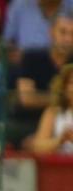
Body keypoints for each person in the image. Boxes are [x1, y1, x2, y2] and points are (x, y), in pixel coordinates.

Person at [12, 13, 73, 144]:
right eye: (63, 32)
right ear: (51, 33)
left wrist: (41, 97)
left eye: (72, 34)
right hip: (28, 121)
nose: (68, 39)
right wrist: (62, 98)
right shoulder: (32, 57)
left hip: (63, 120)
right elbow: (27, 98)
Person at [32, 63, 73, 151]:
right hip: (60, 163)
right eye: (72, 83)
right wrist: (61, 140)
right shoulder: (52, 113)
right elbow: (38, 147)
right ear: (64, 88)